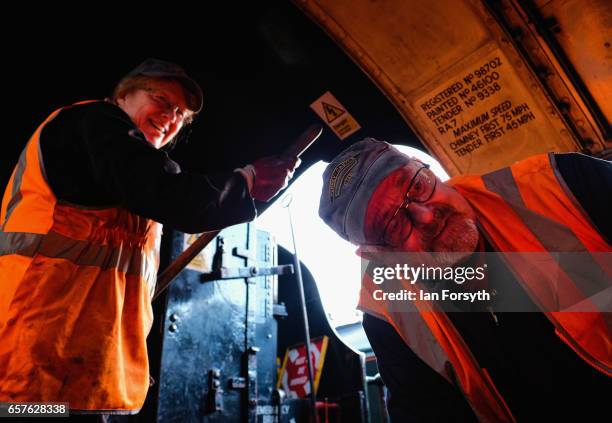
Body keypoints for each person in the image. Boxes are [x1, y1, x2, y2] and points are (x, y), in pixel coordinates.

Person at [0, 59, 298, 418]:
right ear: (124, 93)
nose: (170, 116)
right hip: (29, 366)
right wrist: (247, 181)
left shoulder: (127, 174)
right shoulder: (93, 123)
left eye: (180, 114)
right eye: (161, 99)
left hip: (88, 376)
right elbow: (167, 193)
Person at [319, 138, 611, 422]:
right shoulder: (390, 317)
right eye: (395, 225)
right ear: (379, 256)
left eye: (417, 186)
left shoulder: (559, 185)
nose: (426, 216)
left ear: (426, 167)